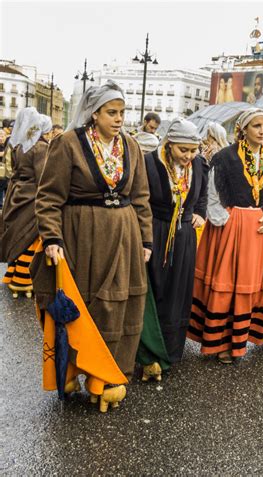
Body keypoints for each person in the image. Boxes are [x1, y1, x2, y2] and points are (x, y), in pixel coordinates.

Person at [30, 81, 153, 409]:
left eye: (122, 112)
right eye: (112, 112)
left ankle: (106, 376)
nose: (118, 119)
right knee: (83, 304)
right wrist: (52, 237)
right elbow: (49, 197)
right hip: (81, 234)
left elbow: (140, 196)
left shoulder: (132, 147)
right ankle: (72, 368)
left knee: (119, 304)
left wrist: (146, 238)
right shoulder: (68, 144)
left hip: (124, 234)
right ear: (93, 113)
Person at [187, 108, 263, 363]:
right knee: (226, 284)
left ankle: (238, 341)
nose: (261, 131)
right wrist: (222, 219)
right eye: (256, 126)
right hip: (230, 223)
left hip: (255, 227)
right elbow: (213, 191)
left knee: (246, 287)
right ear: (243, 129)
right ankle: (219, 341)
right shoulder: (226, 157)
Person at [142, 118, 208, 375]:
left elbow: (203, 193)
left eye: (193, 150)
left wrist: (199, 212)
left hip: (184, 235)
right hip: (156, 229)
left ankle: (170, 350)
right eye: (183, 150)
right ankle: (149, 351)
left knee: (178, 291)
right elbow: (142, 197)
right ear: (169, 145)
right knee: (156, 287)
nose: (189, 156)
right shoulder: (150, 162)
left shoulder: (199, 164)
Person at [0, 108, 52, 297]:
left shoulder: (18, 146)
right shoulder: (40, 148)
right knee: (29, 237)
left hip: (17, 194)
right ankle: (23, 281)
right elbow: (43, 177)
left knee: (17, 234)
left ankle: (13, 275)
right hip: (32, 197)